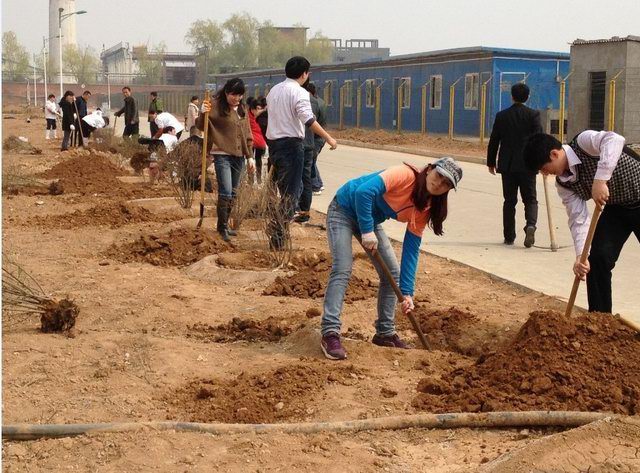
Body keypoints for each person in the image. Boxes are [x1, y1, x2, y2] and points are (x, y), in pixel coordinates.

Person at [320, 158, 463, 360]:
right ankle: (330, 333)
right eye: (439, 175)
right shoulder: (404, 174)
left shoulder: (425, 207)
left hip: (369, 219)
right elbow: (363, 192)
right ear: (429, 169)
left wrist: (407, 293)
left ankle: (385, 333)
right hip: (343, 209)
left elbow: (411, 249)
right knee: (343, 268)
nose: (439, 183)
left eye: (446, 184)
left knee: (392, 275)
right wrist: (367, 230)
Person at [523, 131, 640, 314]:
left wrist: (600, 180)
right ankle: (600, 319)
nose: (544, 173)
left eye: (543, 168)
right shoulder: (564, 184)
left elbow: (615, 139)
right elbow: (578, 220)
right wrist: (581, 256)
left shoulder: (584, 143)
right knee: (596, 258)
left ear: (554, 154)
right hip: (617, 208)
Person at [265, 56, 337, 249]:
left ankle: (278, 232)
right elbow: (308, 119)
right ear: (305, 74)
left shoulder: (274, 90)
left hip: (274, 145)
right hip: (291, 146)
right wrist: (329, 138)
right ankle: (277, 236)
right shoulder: (299, 92)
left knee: (284, 191)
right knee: (291, 194)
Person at [197, 78, 254, 242]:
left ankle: (225, 225)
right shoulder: (214, 105)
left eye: (240, 95)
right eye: (233, 95)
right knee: (226, 191)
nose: (237, 98)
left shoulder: (242, 109)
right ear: (226, 92)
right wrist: (203, 112)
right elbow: (201, 125)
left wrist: (250, 156)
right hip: (222, 155)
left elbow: (247, 133)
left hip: (239, 156)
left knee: (234, 193)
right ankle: (221, 227)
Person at [487, 82, 543, 247]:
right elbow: (539, 140)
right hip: (528, 165)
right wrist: (541, 162)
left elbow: (494, 140)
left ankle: (509, 236)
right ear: (528, 97)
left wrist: (491, 162)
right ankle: (531, 225)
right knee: (530, 199)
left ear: (512, 96)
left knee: (509, 201)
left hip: (508, 165)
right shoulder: (533, 115)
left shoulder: (502, 116)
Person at [295, 82, 328, 224]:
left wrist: (328, 138)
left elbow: (309, 122)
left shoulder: (302, 100)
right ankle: (305, 211)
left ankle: (298, 209)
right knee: (307, 174)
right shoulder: (318, 102)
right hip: (311, 141)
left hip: (304, 141)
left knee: (299, 177)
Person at [308, 83, 327, 195]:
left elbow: (311, 122)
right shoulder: (321, 102)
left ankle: (315, 186)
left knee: (310, 161)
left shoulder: (312, 104)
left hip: (315, 137)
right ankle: (319, 183)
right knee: (312, 161)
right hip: (321, 137)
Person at [246, 97, 267, 185]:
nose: (259, 110)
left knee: (258, 160)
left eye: (260, 108)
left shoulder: (262, 116)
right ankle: (251, 180)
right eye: (257, 108)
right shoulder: (247, 116)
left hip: (260, 142)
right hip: (252, 142)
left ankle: (258, 179)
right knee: (251, 160)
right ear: (252, 109)